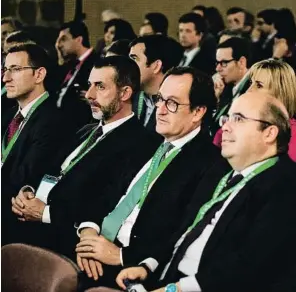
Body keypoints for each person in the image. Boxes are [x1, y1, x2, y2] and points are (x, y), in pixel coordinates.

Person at [114, 92, 296, 292]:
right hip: (167, 279)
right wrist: (149, 266)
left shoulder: (287, 187)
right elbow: (184, 229)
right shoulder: (221, 171)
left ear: (269, 133)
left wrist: (175, 289)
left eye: (238, 119)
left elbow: (252, 266)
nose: (225, 127)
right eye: (226, 118)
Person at [74, 67, 228, 287]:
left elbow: (182, 234)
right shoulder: (146, 141)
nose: (160, 109)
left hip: (134, 269)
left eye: (172, 103)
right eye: (159, 99)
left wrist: (120, 256)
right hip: (94, 245)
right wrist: (88, 234)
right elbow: (104, 191)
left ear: (198, 112)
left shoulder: (211, 165)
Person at [10, 56, 161, 255]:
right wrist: (29, 192)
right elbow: (51, 170)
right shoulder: (86, 130)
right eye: (90, 85)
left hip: (67, 239)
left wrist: (45, 213)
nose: (89, 94)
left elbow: (104, 203)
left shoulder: (140, 143)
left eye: (100, 87)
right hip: (34, 224)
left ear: (125, 93)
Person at [2, 43, 75, 245]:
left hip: (16, 226)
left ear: (39, 75)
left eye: (15, 70)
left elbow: (24, 178)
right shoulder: (7, 116)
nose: (5, 78)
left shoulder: (55, 121)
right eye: (5, 69)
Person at [129, 35, 183, 134]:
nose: (127, 65)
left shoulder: (178, 106)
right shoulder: (131, 99)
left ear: (156, 66)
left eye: (134, 59)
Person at [55, 21, 98, 129]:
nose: (58, 45)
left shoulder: (96, 63)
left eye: (63, 39)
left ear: (79, 40)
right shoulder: (70, 64)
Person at [211, 37, 252, 136]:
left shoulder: (253, 89)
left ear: (241, 62)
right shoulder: (226, 87)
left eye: (224, 63)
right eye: (217, 63)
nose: (218, 68)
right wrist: (215, 98)